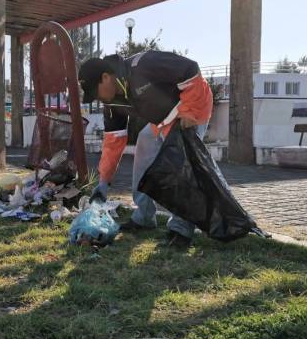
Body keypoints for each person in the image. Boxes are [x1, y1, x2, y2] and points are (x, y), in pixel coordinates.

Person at [78, 51, 213, 249]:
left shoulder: (144, 65)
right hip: (164, 119)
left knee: (180, 165)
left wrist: (190, 110)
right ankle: (144, 216)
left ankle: (181, 229)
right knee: (144, 142)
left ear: (105, 77)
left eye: (96, 92)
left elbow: (190, 69)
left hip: (192, 109)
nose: (98, 98)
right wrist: (104, 181)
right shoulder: (112, 101)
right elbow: (113, 141)